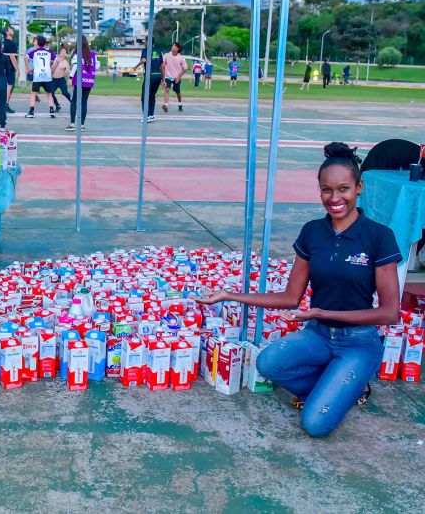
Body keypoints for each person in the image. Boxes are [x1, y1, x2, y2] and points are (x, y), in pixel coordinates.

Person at [196, 142, 402, 438]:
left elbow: (389, 313)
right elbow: (290, 298)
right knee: (268, 362)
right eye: (326, 190)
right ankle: (335, 386)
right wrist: (229, 295)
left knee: (314, 425)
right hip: (318, 335)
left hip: (358, 343)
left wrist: (323, 312)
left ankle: (349, 384)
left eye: (343, 189)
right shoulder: (312, 232)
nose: (335, 198)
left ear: (359, 187)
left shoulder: (379, 236)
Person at [66, 35, 96, 132]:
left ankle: (72, 124)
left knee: (74, 100)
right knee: (84, 101)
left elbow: (75, 66)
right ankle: (82, 124)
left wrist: (70, 77)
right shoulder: (92, 54)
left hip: (79, 79)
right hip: (89, 79)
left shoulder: (77, 53)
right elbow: (97, 66)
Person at [24, 35, 57, 119]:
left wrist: (28, 68)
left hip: (38, 76)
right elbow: (56, 59)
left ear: (37, 43)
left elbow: (25, 57)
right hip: (47, 76)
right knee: (49, 94)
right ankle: (51, 111)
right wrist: (52, 68)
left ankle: (31, 112)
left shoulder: (35, 52)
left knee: (33, 93)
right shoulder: (49, 52)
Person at [136, 38, 163, 123]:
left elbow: (144, 60)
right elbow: (162, 66)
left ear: (148, 42)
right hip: (158, 75)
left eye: (145, 41)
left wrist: (136, 66)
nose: (144, 42)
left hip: (150, 75)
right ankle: (151, 115)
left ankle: (146, 116)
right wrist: (163, 79)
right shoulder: (159, 51)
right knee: (152, 95)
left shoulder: (145, 50)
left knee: (144, 96)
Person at [161, 42, 187, 113]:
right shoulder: (166, 55)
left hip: (176, 77)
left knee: (177, 92)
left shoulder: (181, 58)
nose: (173, 47)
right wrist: (162, 79)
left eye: (175, 47)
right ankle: (166, 105)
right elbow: (162, 65)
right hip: (167, 76)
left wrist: (179, 77)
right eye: (172, 46)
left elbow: (185, 69)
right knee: (167, 89)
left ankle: (180, 103)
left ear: (178, 49)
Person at [50, 47, 72, 113]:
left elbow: (69, 73)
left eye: (65, 52)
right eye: (62, 51)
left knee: (65, 92)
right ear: (60, 52)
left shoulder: (65, 63)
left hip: (61, 80)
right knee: (51, 93)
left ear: (66, 54)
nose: (63, 53)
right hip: (54, 80)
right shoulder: (54, 60)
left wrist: (70, 79)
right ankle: (57, 105)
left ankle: (74, 103)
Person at [2, 27, 18, 114]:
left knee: (10, 86)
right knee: (9, 85)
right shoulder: (11, 43)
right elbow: (12, 57)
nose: (12, 29)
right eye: (10, 29)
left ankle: (5, 104)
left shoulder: (4, 43)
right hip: (9, 67)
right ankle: (5, 105)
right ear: (7, 32)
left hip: (4, 67)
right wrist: (18, 69)